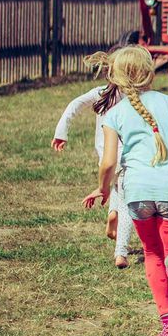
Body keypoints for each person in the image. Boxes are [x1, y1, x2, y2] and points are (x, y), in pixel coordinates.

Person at [82, 46, 168, 336]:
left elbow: (109, 162)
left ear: (116, 77)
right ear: (150, 73)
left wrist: (102, 189)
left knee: (152, 253)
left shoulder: (114, 114)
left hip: (136, 194)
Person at [52, 49, 132, 267]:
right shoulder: (134, 96)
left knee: (117, 189)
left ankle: (113, 213)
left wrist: (61, 131)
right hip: (128, 156)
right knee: (127, 201)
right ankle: (121, 252)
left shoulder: (100, 93)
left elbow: (74, 105)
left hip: (105, 155)